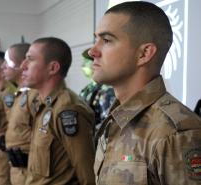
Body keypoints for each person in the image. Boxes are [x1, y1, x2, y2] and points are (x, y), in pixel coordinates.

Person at [88, 1, 201, 185]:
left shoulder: (175, 133)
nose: (92, 51)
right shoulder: (115, 120)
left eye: (106, 40)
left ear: (144, 53)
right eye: (96, 40)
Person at [21, 37, 95, 185]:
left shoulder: (67, 109)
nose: (23, 65)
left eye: (30, 59)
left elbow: (87, 173)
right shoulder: (44, 104)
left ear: (53, 68)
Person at [3, 43, 38, 185]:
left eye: (7, 62)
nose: (3, 67)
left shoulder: (34, 95)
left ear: (21, 64)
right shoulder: (19, 93)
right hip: (17, 168)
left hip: (29, 170)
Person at [79, 48, 115, 133]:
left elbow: (107, 123)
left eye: (85, 63)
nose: (82, 66)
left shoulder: (107, 90)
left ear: (95, 64)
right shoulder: (87, 89)